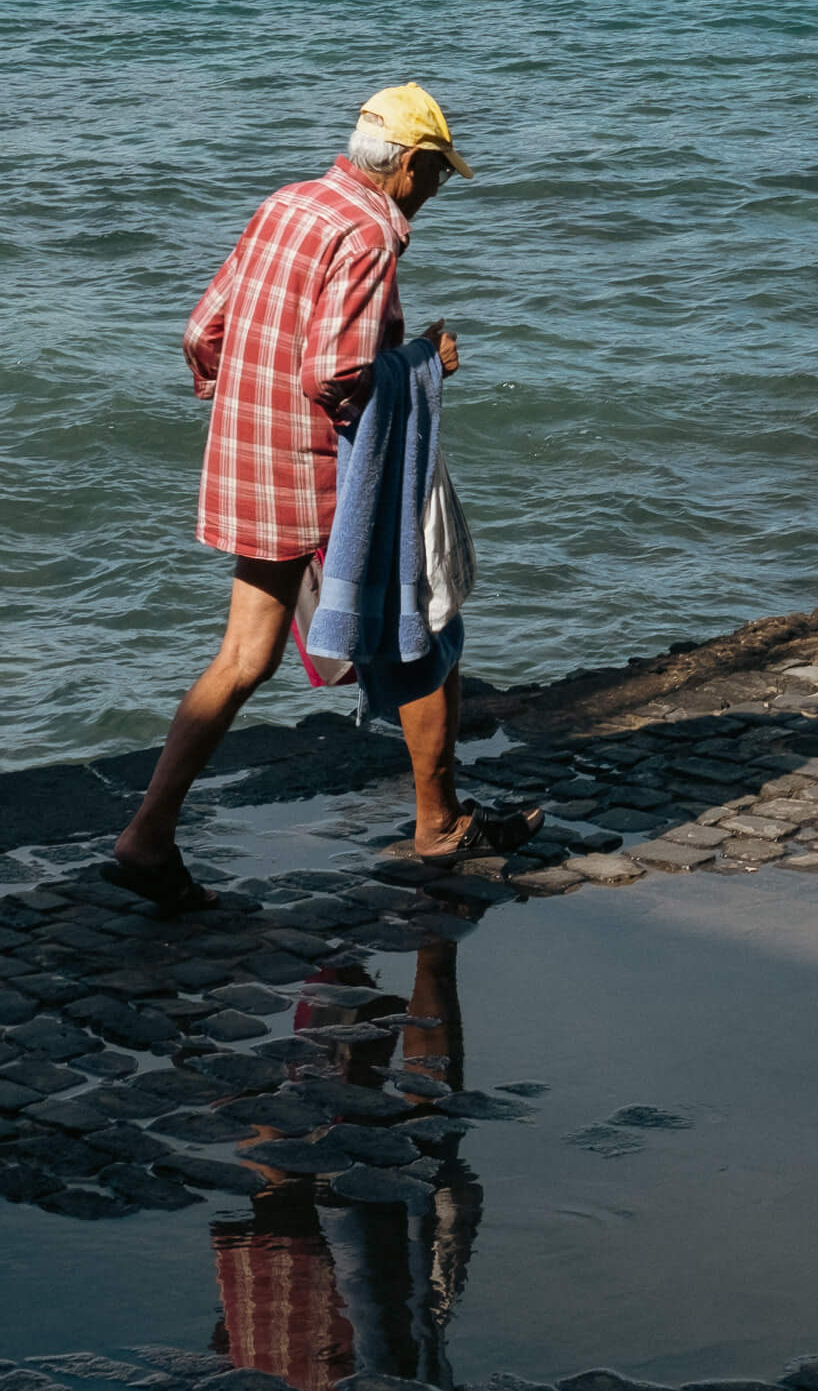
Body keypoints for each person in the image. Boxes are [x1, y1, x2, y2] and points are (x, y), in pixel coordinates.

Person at [105, 81, 542, 914]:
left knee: (242, 658)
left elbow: (203, 332)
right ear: (407, 163)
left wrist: (242, 404)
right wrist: (424, 361)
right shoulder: (373, 230)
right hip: (323, 474)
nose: (436, 190)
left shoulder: (289, 203)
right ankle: (438, 823)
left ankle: (146, 837)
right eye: (438, 174)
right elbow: (334, 372)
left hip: (247, 457)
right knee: (422, 626)